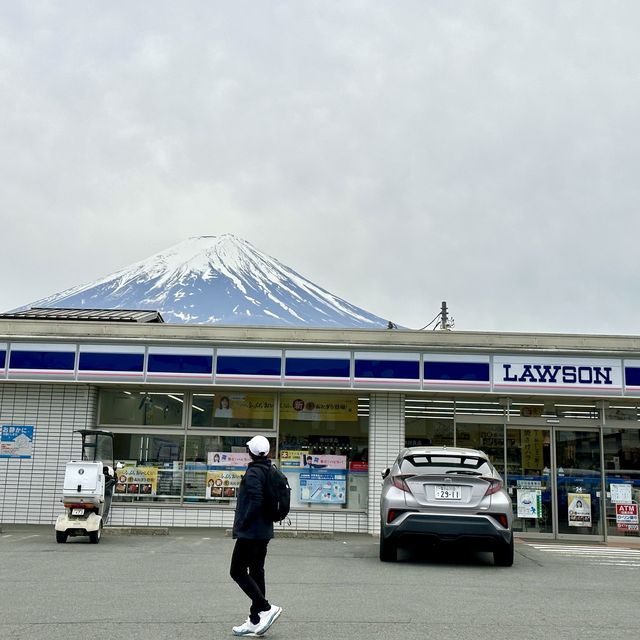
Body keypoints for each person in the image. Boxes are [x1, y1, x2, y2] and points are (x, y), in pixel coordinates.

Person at [230, 435, 282, 636]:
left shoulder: (253, 473)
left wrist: (243, 523)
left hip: (250, 532)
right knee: (256, 572)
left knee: (237, 571)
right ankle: (255, 619)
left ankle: (266, 608)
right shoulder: (270, 470)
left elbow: (256, 500)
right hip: (264, 531)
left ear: (250, 452)